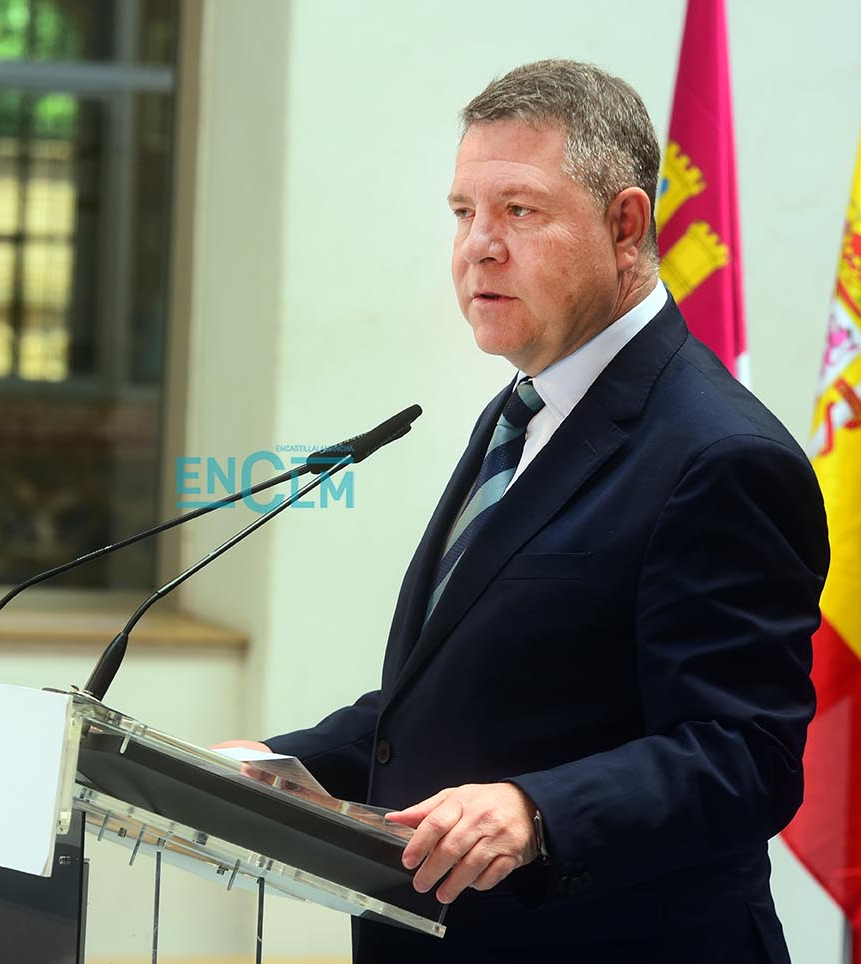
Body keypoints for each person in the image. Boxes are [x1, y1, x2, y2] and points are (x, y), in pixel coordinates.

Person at [222, 60, 829, 963]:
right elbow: (464, 696)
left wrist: (536, 811)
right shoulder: (525, 409)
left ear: (626, 226)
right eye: (463, 212)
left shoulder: (721, 455)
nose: (479, 246)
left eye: (519, 210)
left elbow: (743, 755)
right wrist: (277, 766)